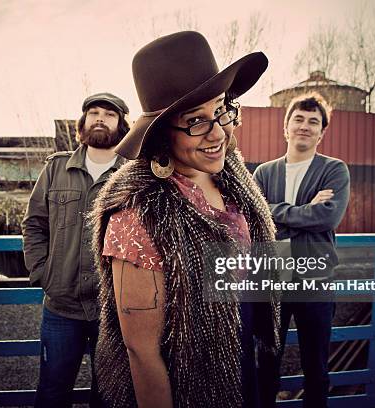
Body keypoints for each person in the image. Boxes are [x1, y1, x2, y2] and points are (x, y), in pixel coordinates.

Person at [89, 31, 280, 408]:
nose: (219, 131)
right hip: (186, 380)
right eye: (196, 120)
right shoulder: (137, 212)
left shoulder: (232, 175)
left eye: (221, 109)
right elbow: (141, 352)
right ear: (161, 134)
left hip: (241, 358)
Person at [22, 92, 130, 407]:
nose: (100, 118)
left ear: (122, 125)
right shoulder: (56, 169)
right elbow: (33, 225)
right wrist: (43, 273)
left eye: (109, 114)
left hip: (112, 309)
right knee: (53, 391)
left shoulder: (132, 174)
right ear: (82, 123)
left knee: (109, 395)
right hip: (61, 307)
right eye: (93, 112)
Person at [254, 92, 351, 408]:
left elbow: (327, 216)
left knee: (316, 365)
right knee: (266, 361)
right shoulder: (264, 173)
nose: (305, 126)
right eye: (299, 119)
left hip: (315, 279)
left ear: (322, 132)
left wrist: (275, 211)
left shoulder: (334, 170)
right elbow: (255, 222)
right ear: (285, 127)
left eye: (314, 122)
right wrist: (301, 211)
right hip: (273, 279)